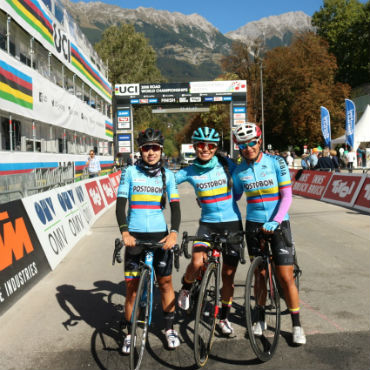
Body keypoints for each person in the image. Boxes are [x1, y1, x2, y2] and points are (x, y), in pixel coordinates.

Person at [232, 122, 306, 345]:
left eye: (252, 142)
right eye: (243, 144)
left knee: (285, 277)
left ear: (259, 141)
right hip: (254, 226)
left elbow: (287, 196)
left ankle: (296, 324)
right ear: (238, 146)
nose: (249, 148)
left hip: (279, 223)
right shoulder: (239, 170)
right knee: (260, 275)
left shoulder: (277, 162)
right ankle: (260, 317)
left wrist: (275, 220)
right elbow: (234, 197)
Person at [115, 128, 181, 352]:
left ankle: (169, 329)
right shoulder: (130, 173)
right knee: (132, 289)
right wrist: (125, 232)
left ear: (161, 151)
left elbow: (175, 208)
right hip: (134, 237)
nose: (151, 152)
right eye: (146, 148)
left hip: (160, 236)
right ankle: (129, 331)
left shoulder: (168, 176)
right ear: (140, 151)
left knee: (165, 283)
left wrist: (173, 233)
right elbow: (120, 206)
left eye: (155, 148)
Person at [175, 126, 243, 336]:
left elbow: (245, 182)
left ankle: (222, 317)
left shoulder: (227, 165)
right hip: (208, 224)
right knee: (197, 262)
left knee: (228, 276)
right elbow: (166, 183)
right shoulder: (189, 170)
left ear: (216, 148)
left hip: (232, 224)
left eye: (210, 145)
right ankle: (186, 286)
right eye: (201, 145)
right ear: (194, 147)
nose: (205, 149)